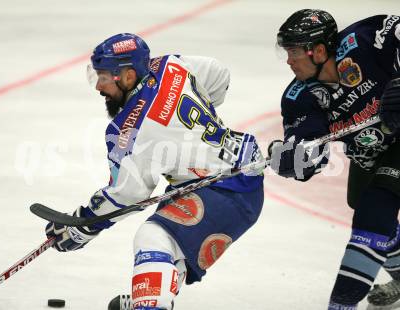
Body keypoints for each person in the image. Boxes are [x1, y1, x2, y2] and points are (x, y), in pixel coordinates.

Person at [45, 33, 265, 310]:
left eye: (103, 77)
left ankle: (152, 306)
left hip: (224, 189)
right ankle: (152, 298)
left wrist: (82, 225)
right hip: (239, 169)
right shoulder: (169, 65)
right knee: (174, 244)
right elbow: (218, 74)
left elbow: (127, 194)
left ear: (126, 76)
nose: (99, 87)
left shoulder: (131, 130)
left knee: (154, 237)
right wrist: (193, 127)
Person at [269, 9, 400, 309]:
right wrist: (296, 158)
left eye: (293, 51)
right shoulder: (298, 97)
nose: (289, 60)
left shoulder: (365, 42)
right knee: (369, 211)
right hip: (370, 151)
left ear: (317, 51)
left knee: (373, 209)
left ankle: (342, 304)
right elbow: (310, 147)